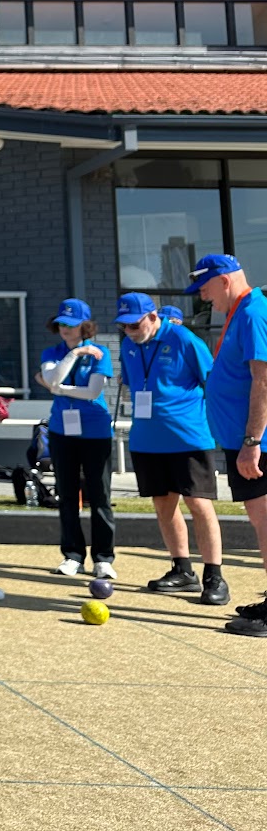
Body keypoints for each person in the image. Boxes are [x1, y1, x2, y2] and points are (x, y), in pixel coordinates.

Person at [114, 291, 227, 604]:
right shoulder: (128, 345)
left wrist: (219, 426)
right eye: (124, 326)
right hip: (147, 439)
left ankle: (214, 576)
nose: (129, 331)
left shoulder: (183, 339)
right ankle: (182, 569)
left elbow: (212, 382)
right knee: (163, 505)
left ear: (153, 316)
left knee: (199, 504)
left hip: (187, 437)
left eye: (134, 324)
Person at [185, 255, 267, 636]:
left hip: (256, 442)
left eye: (204, 288)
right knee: (261, 520)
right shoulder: (241, 313)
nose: (203, 297)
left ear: (223, 280)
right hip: (244, 440)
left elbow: (263, 381)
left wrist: (252, 441)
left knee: (265, 521)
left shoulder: (252, 313)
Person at [36, 298, 117, 578]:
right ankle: (72, 555)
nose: (65, 329)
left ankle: (103, 558)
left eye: (72, 324)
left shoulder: (101, 352)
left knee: (100, 495)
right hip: (62, 431)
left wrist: (59, 389)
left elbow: (93, 392)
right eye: (61, 324)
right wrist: (74, 354)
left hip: (96, 431)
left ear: (85, 326)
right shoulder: (52, 352)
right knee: (67, 494)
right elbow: (52, 378)